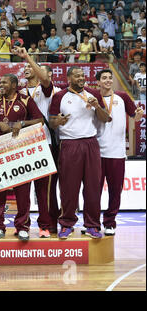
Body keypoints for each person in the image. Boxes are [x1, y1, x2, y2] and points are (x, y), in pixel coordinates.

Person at [49, 66, 110, 239]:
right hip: (69, 144)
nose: (81, 78)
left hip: (91, 143)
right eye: (77, 76)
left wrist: (97, 106)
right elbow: (52, 122)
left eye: (82, 75)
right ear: (69, 78)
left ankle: (92, 225)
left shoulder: (94, 94)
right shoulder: (60, 96)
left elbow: (106, 118)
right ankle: (66, 224)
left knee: (92, 187)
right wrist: (58, 121)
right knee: (68, 188)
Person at [0, 74, 44, 241]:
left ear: (14, 85)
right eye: (1, 82)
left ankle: (22, 227)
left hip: (20, 147)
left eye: (4, 82)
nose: (0, 84)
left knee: (23, 190)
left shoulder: (25, 100)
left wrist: (23, 123)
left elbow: (40, 120)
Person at [13, 46, 62, 237]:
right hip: (23, 143)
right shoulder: (19, 92)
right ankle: (22, 225)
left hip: (44, 142)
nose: (26, 68)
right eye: (24, 67)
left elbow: (46, 78)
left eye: (30, 67)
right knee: (22, 188)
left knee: (44, 189)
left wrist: (28, 57)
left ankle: (46, 225)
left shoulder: (47, 90)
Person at [95, 69, 144, 236]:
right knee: (94, 190)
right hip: (97, 152)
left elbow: (135, 117)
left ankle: (109, 222)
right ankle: (93, 223)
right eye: (104, 78)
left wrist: (139, 115)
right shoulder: (93, 99)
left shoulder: (122, 97)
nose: (108, 81)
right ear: (98, 82)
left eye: (110, 78)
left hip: (117, 153)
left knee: (116, 190)